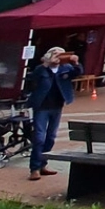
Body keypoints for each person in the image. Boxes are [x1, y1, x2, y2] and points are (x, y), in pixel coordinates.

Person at [26, 48, 82, 181]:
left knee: (51, 137)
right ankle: (34, 168)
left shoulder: (65, 67)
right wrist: (46, 64)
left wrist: (76, 62)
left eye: (61, 54)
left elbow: (78, 72)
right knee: (39, 137)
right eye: (56, 54)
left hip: (57, 106)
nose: (59, 57)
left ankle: (43, 164)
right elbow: (32, 78)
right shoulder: (42, 69)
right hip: (41, 106)